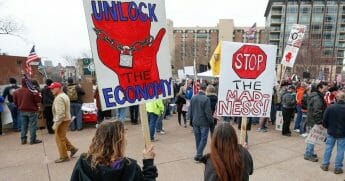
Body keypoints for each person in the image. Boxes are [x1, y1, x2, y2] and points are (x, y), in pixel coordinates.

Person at [70, 121, 158, 181]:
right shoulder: (130, 168)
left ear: (97, 139)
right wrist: (148, 162)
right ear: (120, 143)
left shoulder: (83, 163)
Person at [49, 82, 78, 163]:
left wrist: (56, 124)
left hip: (62, 120)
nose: (51, 90)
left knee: (59, 138)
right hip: (66, 119)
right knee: (62, 136)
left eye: (53, 88)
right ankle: (72, 149)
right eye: (51, 88)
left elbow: (61, 113)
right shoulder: (64, 95)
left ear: (59, 88)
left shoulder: (59, 98)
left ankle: (64, 156)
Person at [320, 92, 345, 174]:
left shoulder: (331, 107)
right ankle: (337, 167)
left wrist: (327, 127)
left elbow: (324, 119)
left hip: (332, 131)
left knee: (329, 148)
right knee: (340, 150)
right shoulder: (331, 107)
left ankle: (325, 164)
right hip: (342, 133)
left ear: (337, 98)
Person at [13, 78, 42, 145]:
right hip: (32, 110)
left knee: (23, 125)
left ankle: (23, 140)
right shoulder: (32, 91)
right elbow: (39, 100)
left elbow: (15, 102)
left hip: (22, 110)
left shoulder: (16, 91)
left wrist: (19, 106)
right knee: (32, 125)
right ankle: (32, 140)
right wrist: (37, 94)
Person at [304, 82, 328, 162]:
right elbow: (317, 111)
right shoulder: (317, 98)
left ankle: (309, 152)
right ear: (319, 88)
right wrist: (319, 122)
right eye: (324, 90)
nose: (325, 92)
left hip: (313, 120)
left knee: (312, 137)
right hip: (314, 121)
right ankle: (308, 154)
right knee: (312, 138)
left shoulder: (316, 96)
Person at [189, 83, 213, 162]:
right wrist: (211, 121)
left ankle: (199, 155)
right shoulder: (206, 99)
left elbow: (190, 110)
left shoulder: (193, 98)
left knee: (198, 139)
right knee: (203, 139)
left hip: (195, 121)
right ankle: (199, 155)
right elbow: (208, 113)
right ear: (205, 89)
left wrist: (191, 120)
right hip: (204, 122)